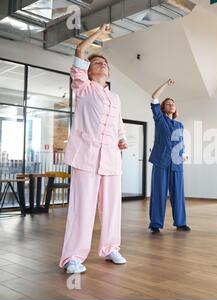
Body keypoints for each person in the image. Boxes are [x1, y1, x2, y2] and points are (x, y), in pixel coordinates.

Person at [59, 24, 128, 274]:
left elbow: (119, 125)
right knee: (83, 208)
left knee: (111, 208)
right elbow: (79, 50)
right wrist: (99, 34)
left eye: (105, 63)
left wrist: (122, 139)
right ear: (88, 71)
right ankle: (73, 258)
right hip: (86, 157)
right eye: (97, 62)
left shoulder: (115, 97)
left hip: (111, 159)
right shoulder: (84, 88)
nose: (102, 65)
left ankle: (111, 248)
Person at [148, 79, 190, 234]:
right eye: (168, 103)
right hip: (161, 162)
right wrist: (166, 84)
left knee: (178, 193)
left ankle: (180, 223)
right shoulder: (159, 119)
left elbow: (181, 142)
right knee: (159, 193)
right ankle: (155, 224)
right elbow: (154, 97)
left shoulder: (179, 125)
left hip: (177, 163)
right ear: (163, 107)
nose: (171, 105)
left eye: (173, 103)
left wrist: (184, 153)